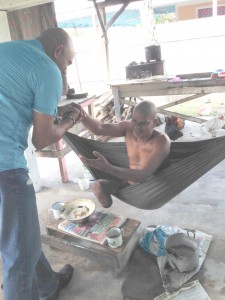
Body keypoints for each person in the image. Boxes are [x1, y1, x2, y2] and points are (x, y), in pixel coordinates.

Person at [0, 28, 81, 300]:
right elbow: (43, 138)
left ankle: (48, 284)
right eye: (68, 62)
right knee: (18, 263)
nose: (66, 68)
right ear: (58, 51)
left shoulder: (8, 49)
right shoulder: (48, 68)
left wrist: (55, 113)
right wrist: (69, 121)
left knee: (19, 236)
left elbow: (15, 98)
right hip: (4, 169)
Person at [78, 100, 171, 208]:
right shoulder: (128, 128)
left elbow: (143, 175)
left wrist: (108, 168)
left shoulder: (161, 141)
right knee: (98, 186)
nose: (136, 127)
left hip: (150, 191)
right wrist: (81, 115)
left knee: (135, 184)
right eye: (134, 120)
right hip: (129, 185)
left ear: (154, 123)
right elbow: (100, 128)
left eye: (143, 123)